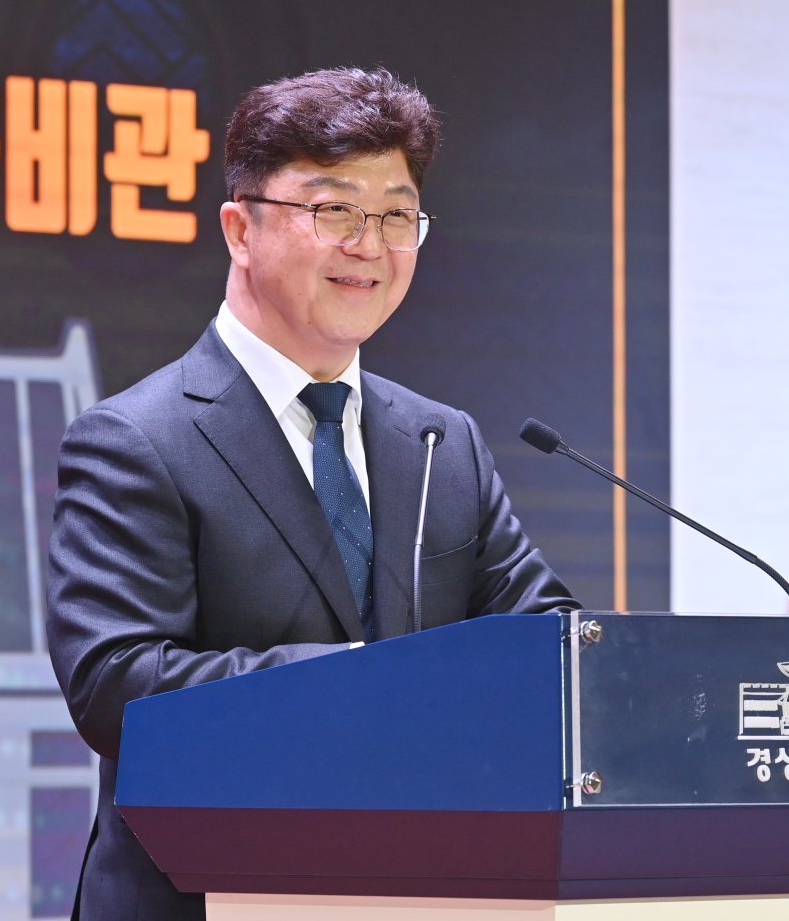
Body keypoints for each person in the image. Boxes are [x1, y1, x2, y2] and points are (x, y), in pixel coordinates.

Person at [45, 67, 579, 920]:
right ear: (240, 229)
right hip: (208, 899)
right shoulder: (137, 440)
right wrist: (373, 686)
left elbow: (549, 648)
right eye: (334, 210)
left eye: (397, 216)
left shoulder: (442, 443)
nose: (369, 245)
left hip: (427, 897)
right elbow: (118, 687)